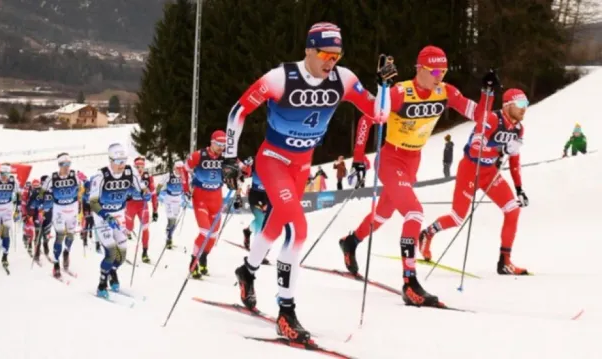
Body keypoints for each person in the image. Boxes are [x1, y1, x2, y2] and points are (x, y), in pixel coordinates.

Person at [224, 22, 394, 343]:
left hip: (302, 166)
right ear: (308, 50)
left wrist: (384, 87)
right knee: (297, 230)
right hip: (273, 160)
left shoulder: (343, 80)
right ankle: (286, 311)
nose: (330, 61)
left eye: (336, 54)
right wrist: (231, 157)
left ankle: (247, 271)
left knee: (275, 226)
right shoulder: (281, 77)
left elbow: (379, 115)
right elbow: (239, 110)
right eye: (325, 54)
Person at [339, 45, 483, 309]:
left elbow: (479, 116)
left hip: (413, 160)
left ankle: (351, 241)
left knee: (382, 214)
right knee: (414, 213)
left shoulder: (445, 91)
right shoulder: (400, 92)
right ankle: (410, 282)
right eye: (435, 70)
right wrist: (359, 158)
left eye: (444, 70)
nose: (440, 76)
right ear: (420, 69)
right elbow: (366, 119)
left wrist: (487, 93)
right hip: (391, 158)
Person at [420, 86, 530, 275]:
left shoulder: (518, 129)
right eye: (520, 104)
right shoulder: (491, 119)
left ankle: (504, 261)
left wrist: (519, 188)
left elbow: (514, 159)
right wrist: (501, 150)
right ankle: (427, 233)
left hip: (490, 174)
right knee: (456, 218)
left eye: (526, 104)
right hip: (470, 171)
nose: (524, 108)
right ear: (507, 105)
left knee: (512, 210)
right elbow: (474, 149)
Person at [89, 143, 150, 298]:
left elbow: (141, 186)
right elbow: (93, 203)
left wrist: (145, 193)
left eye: (124, 161)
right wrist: (106, 216)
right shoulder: (101, 176)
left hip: (119, 214)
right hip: (103, 216)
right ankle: (102, 284)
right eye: (118, 161)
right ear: (111, 160)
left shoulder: (130, 172)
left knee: (121, 256)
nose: (122, 165)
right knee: (110, 252)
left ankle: (112, 271)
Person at [181, 130, 230, 279]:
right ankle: (193, 261)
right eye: (218, 144)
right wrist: (186, 188)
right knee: (204, 231)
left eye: (224, 144)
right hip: (201, 196)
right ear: (212, 142)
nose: (221, 147)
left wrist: (244, 169)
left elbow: (242, 171)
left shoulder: (227, 157)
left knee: (213, 235)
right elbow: (185, 169)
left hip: (217, 198)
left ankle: (203, 258)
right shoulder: (199, 155)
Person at [41, 153, 83, 278]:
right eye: (64, 165)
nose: (66, 167)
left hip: (73, 210)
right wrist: (43, 202)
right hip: (59, 210)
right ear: (59, 165)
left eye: (68, 164)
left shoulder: (75, 176)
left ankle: (66, 253)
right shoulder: (52, 178)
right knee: (59, 236)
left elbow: (81, 190)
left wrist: (82, 195)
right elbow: (42, 192)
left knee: (71, 235)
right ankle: (56, 265)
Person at [125, 156, 158, 263]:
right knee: (128, 228)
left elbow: (153, 194)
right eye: (137, 167)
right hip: (131, 205)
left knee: (145, 227)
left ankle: (144, 252)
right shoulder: (129, 176)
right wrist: (127, 195)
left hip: (142, 205)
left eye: (142, 167)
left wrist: (155, 210)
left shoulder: (148, 177)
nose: (140, 169)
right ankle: (121, 249)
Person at [241, 158, 271, 265]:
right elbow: (244, 172)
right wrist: (246, 166)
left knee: (268, 223)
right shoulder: (256, 162)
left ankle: (248, 230)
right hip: (255, 195)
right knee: (260, 222)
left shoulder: (277, 164)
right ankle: (259, 253)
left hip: (268, 196)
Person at [155, 161, 185, 250]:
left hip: (178, 199)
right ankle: (169, 238)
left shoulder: (184, 175)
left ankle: (169, 234)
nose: (179, 171)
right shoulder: (168, 175)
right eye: (178, 169)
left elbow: (189, 185)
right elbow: (160, 184)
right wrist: (157, 193)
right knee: (170, 219)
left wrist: (189, 193)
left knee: (174, 221)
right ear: (174, 168)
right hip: (169, 199)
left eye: (181, 169)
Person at [27, 178, 54, 263]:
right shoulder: (34, 193)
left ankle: (46, 249)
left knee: (46, 234)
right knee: (38, 235)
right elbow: (30, 205)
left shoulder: (51, 191)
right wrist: (33, 209)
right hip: (38, 216)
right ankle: (37, 253)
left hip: (48, 216)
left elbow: (56, 203)